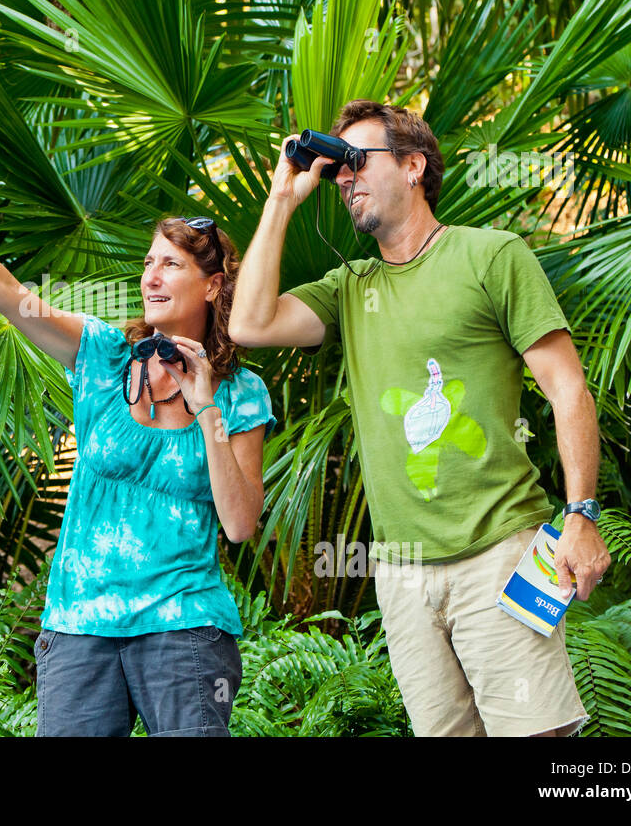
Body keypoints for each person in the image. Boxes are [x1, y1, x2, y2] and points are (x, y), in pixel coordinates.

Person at [0, 176, 275, 736]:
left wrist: (206, 406)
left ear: (212, 286)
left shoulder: (241, 394)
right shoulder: (102, 355)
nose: (151, 276)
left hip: (183, 623)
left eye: (170, 265)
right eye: (148, 262)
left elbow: (239, 525)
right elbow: (5, 291)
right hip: (79, 623)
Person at [228, 99, 611, 737]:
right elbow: (248, 323)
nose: (343, 177)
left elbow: (567, 386)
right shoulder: (351, 286)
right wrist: (282, 200)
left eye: (357, 160)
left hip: (500, 552)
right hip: (402, 575)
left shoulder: (490, 256)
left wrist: (582, 514)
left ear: (412, 166)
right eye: (336, 168)